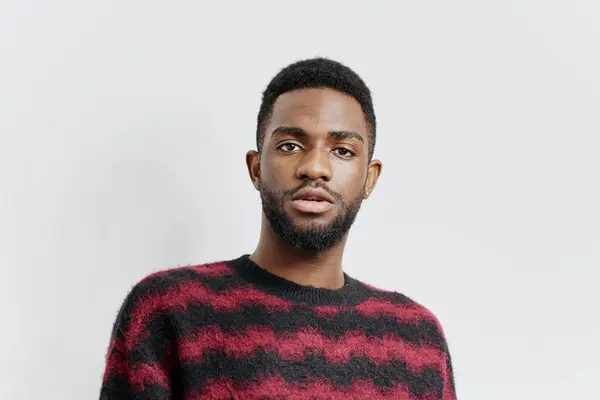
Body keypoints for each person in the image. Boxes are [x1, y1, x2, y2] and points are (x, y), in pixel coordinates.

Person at [100, 58, 457, 400]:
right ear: (256, 168)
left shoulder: (417, 340)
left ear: (370, 178)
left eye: (343, 151)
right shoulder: (170, 310)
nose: (315, 167)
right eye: (290, 145)